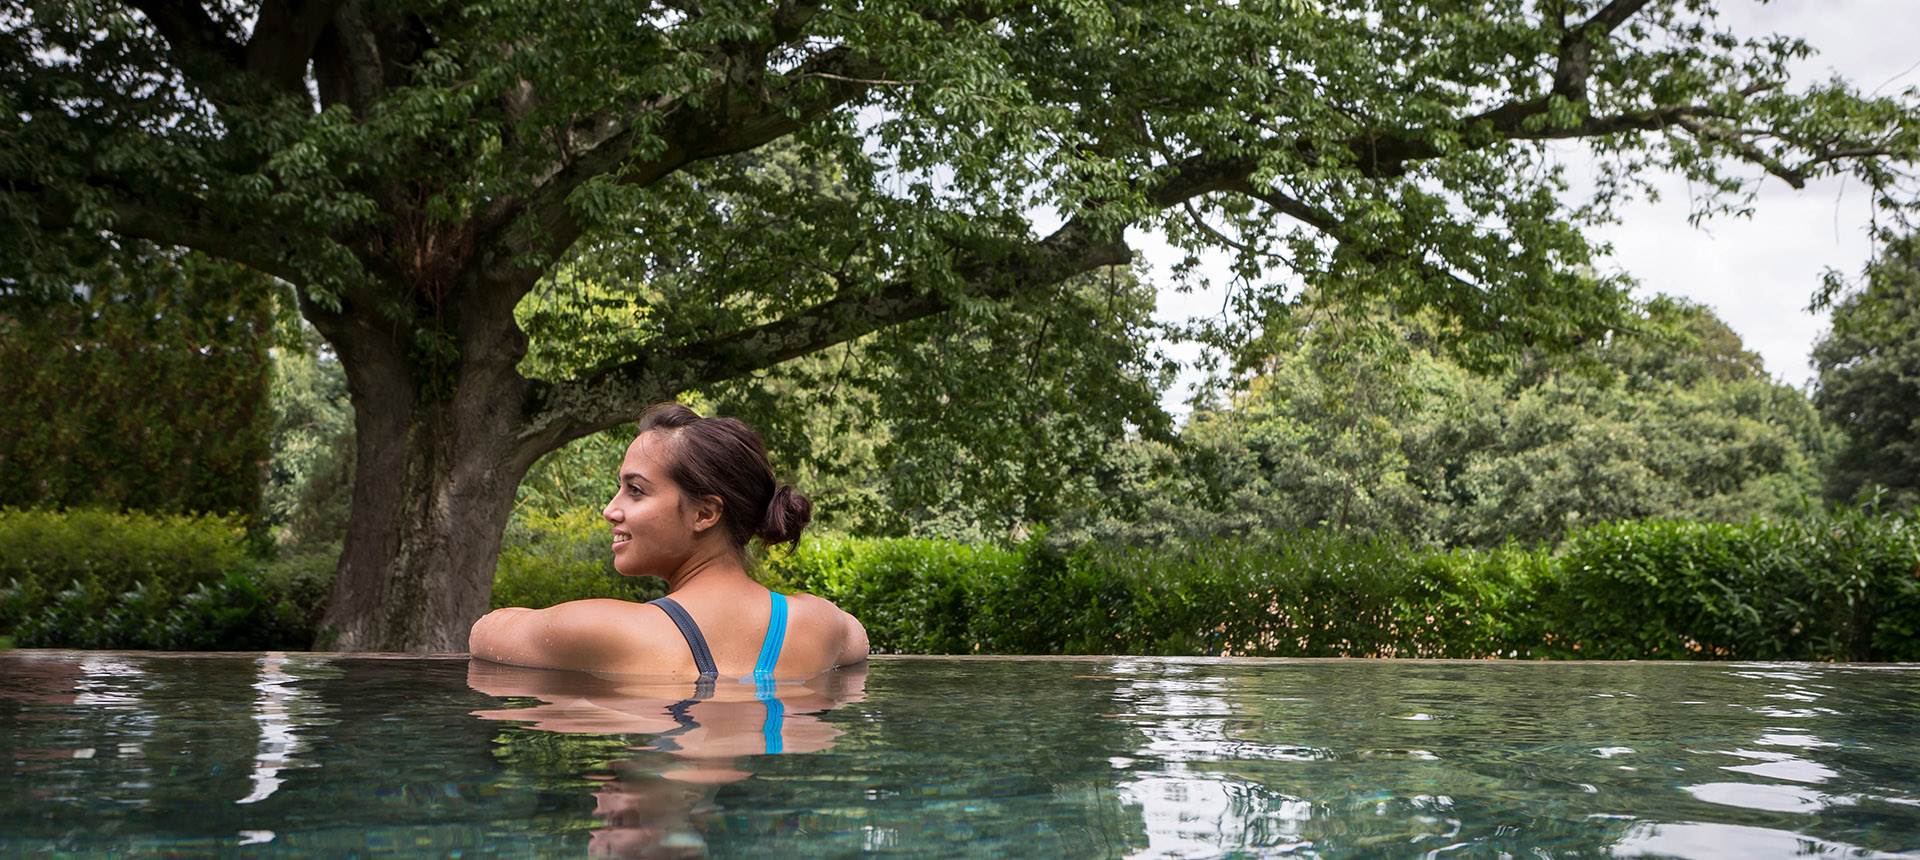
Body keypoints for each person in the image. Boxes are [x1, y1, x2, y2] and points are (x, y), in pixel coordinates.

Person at [468, 403, 869, 678]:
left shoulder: (610, 630)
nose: (611, 510)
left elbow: (485, 632)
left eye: (636, 490)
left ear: (705, 514)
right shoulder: (823, 623)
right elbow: (859, 643)